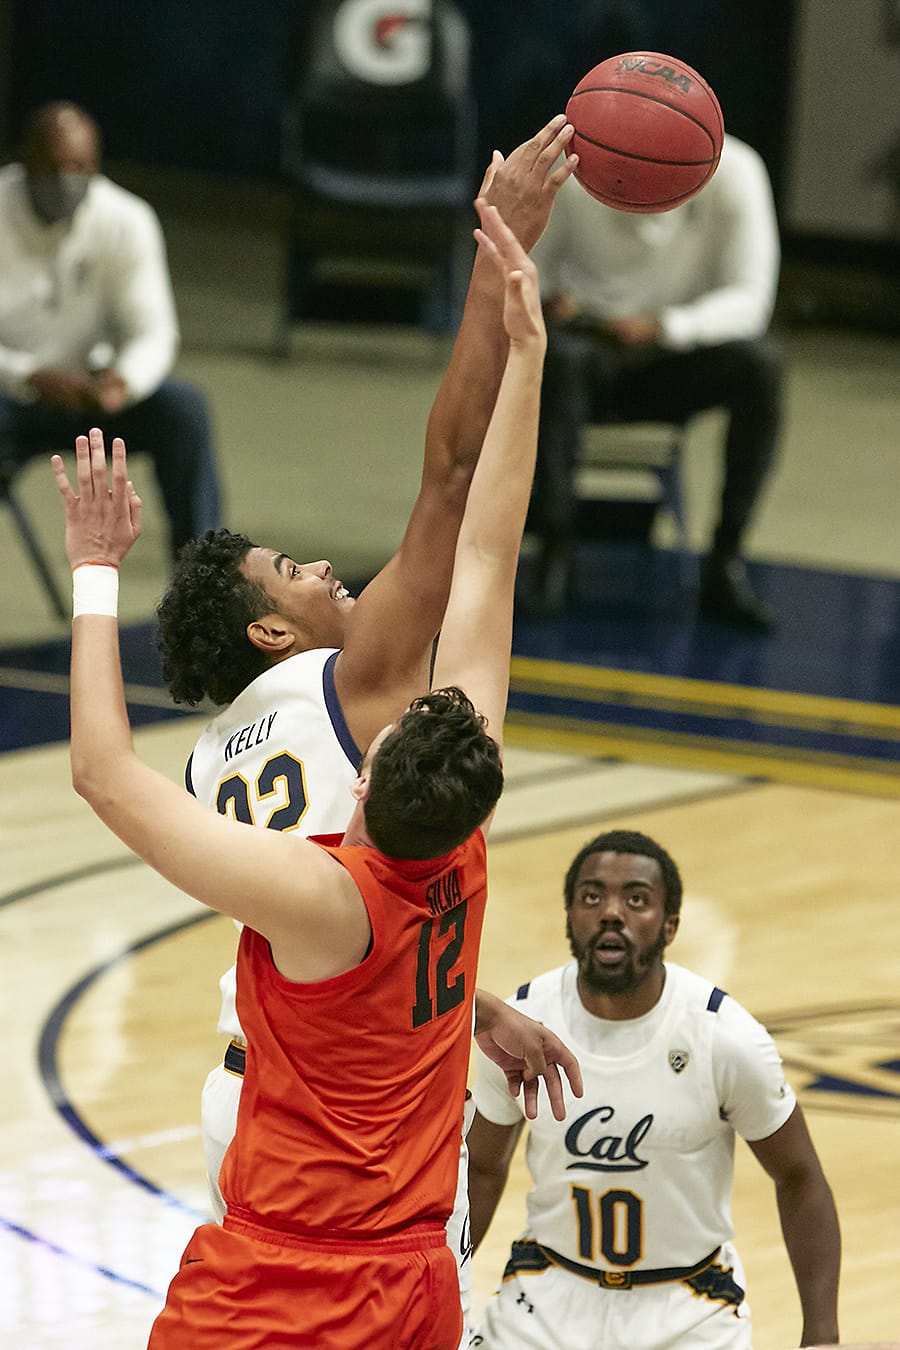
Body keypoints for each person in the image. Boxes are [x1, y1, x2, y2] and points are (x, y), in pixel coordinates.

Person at [54, 196, 563, 1348]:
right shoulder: (363, 680)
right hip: (362, 1141)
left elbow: (323, 940)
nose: (329, 568)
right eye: (292, 570)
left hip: (254, 1092)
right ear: (272, 633)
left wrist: (470, 1006)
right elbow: (464, 504)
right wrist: (504, 299)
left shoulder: (207, 762)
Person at [466, 827, 841, 1349]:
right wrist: (446, 1282)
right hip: (545, 1298)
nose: (611, 913)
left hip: (688, 1309)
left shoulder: (725, 1038)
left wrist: (821, 1337)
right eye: (591, 897)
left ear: (670, 925)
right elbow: (482, 1168)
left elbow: (799, 1178)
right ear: (569, 916)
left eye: (636, 899)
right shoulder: (522, 1023)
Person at [527, 132, 783, 629]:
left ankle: (725, 560)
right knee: (556, 359)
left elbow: (751, 300)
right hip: (587, 351)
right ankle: (553, 550)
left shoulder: (737, 170)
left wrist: (666, 326)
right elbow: (529, 270)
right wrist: (548, 298)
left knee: (763, 367)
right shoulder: (575, 167)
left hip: (675, 357)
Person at [0, 100, 221, 559]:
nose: (67, 180)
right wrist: (28, 375)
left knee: (183, 410)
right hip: (9, 398)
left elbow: (153, 332)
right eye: (53, 167)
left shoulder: (127, 220)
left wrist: (123, 381)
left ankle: (203, 578)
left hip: (89, 398)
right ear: (25, 162)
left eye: (80, 167)